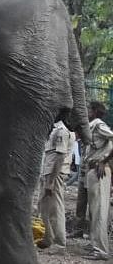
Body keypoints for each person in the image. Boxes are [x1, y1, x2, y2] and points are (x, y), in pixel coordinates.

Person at [39, 119, 76, 249]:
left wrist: (51, 181)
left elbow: (60, 157)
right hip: (49, 172)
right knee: (45, 207)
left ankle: (59, 243)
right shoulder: (55, 129)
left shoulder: (62, 131)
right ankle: (48, 238)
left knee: (55, 208)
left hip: (55, 174)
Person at [84, 101, 113, 260]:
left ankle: (101, 251)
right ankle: (96, 245)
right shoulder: (93, 125)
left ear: (95, 111)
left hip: (99, 170)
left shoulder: (99, 125)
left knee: (100, 211)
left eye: (89, 109)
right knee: (94, 211)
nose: (87, 111)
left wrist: (104, 160)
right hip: (92, 171)